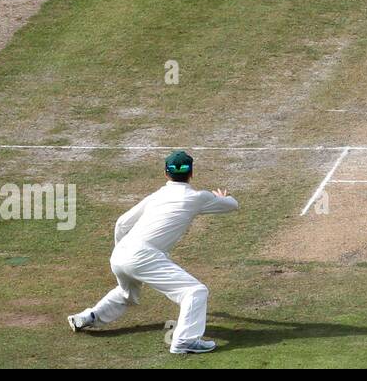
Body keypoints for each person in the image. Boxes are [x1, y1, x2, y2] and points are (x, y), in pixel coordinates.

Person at [66, 151, 238, 354]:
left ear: (166, 174)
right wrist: (221, 197)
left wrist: (122, 251)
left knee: (126, 294)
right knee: (195, 291)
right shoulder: (197, 197)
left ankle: (88, 317)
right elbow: (232, 205)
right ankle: (184, 341)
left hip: (121, 253)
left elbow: (121, 223)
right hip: (143, 255)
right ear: (191, 173)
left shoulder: (158, 195)